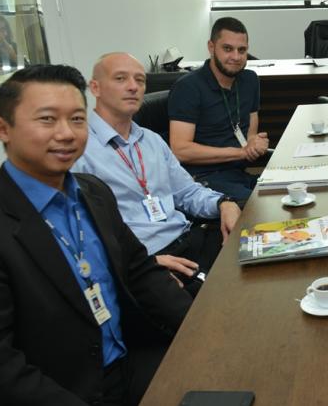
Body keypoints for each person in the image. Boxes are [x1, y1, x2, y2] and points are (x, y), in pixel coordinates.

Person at [0, 65, 192, 405]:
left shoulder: (94, 192)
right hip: (65, 389)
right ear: (2, 128)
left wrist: (202, 331)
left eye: (76, 119)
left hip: (129, 362)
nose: (67, 134)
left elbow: (141, 272)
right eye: (47, 119)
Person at [73, 52, 241, 295]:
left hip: (188, 238)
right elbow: (84, 236)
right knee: (218, 308)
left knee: (260, 260)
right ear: (95, 88)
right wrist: (143, 265)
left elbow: (187, 192)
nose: (133, 87)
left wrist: (224, 202)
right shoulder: (79, 150)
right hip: (148, 261)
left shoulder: (150, 140)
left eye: (139, 80)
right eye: (121, 79)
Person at [168, 17, 268, 203]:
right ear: (211, 47)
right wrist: (241, 152)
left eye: (242, 50)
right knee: (260, 208)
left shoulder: (250, 80)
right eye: (227, 49)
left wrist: (256, 143)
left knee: (286, 195)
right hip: (203, 180)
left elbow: (250, 133)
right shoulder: (188, 87)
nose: (236, 57)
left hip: (239, 174)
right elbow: (180, 150)